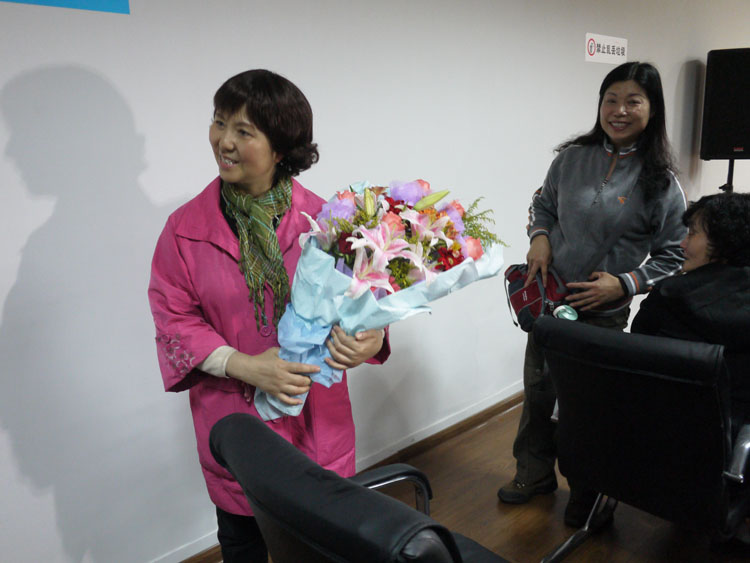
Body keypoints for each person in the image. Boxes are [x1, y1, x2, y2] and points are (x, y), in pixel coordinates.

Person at [148, 69, 389, 562]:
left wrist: (371, 336)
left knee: (322, 549)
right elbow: (174, 318)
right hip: (238, 425)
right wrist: (245, 365)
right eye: (220, 123)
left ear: (280, 148)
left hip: (318, 423)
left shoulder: (330, 222)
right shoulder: (184, 230)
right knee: (245, 545)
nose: (224, 142)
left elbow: (366, 300)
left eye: (244, 131)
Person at [496, 61, 687, 528]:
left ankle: (589, 491)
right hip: (548, 300)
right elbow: (542, 205)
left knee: (588, 410)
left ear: (653, 109)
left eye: (633, 101)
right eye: (611, 100)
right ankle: (533, 474)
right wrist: (540, 237)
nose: (619, 110)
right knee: (538, 393)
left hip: (602, 314)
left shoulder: (661, 180)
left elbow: (675, 255)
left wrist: (624, 284)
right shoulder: (570, 159)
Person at [632, 192, 750, 432]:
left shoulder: (667, 295)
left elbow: (636, 356)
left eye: (692, 233)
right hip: (733, 440)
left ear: (724, 240)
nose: (682, 244)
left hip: (658, 427)